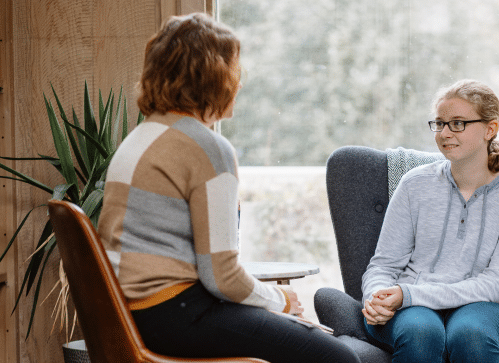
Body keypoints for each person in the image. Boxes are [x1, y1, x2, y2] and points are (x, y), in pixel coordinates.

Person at [98, 13, 359, 363]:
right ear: (215, 78)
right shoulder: (206, 147)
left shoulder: (141, 136)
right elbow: (221, 276)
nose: (239, 82)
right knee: (339, 359)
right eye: (235, 71)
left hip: (134, 316)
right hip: (177, 314)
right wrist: (281, 301)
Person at [360, 79, 499, 363]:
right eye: (439, 123)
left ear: (490, 129)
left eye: (457, 123)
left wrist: (408, 295)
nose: (445, 133)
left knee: (470, 335)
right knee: (420, 335)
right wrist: (376, 298)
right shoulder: (414, 183)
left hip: (490, 304)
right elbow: (383, 265)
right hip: (412, 306)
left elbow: (495, 285)